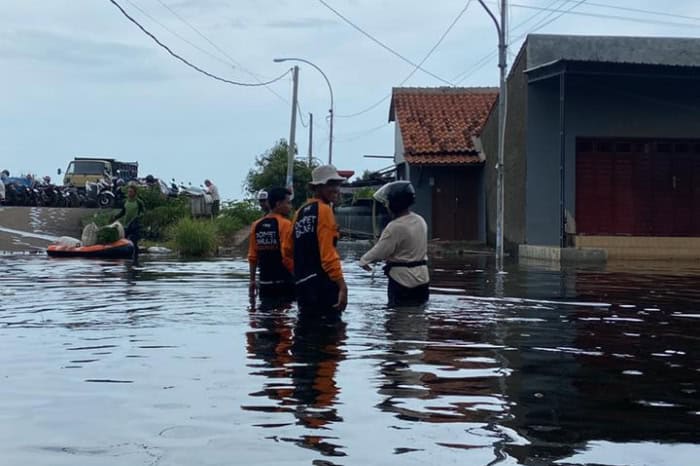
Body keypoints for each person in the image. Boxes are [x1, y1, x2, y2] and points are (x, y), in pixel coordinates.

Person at [284, 165, 348, 315]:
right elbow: (328, 254)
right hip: (323, 286)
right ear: (318, 187)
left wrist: (301, 275)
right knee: (329, 334)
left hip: (303, 286)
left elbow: (287, 250)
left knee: (304, 334)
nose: (336, 189)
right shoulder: (324, 211)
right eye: (331, 184)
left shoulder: (299, 213)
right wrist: (342, 285)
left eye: (337, 184)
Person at [359, 181, 430, 307]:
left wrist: (364, 260)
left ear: (394, 203)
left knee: (397, 319)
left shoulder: (395, 226)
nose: (386, 206)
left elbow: (381, 250)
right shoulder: (420, 220)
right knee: (419, 318)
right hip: (423, 278)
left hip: (402, 280)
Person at [248, 187, 295, 302]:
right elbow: (286, 256)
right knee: (285, 317)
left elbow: (252, 256)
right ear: (278, 204)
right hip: (284, 283)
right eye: (288, 203)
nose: (290, 206)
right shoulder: (286, 224)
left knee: (265, 315)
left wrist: (252, 280)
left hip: (264, 283)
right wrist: (297, 276)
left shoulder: (256, 225)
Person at [112, 184, 145, 265]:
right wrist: (115, 217)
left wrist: (137, 217)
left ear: (135, 193)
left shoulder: (139, 202)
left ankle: (135, 261)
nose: (129, 193)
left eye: (131, 192)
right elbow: (123, 212)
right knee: (124, 242)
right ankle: (126, 260)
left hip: (135, 226)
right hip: (126, 225)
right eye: (128, 192)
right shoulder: (126, 201)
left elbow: (143, 212)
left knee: (134, 242)